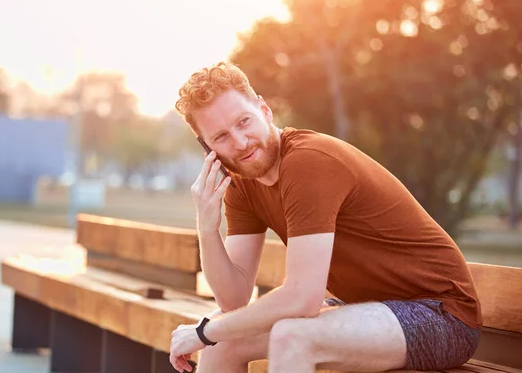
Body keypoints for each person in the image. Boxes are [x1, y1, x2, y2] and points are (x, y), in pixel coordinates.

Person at [169, 62, 482, 373]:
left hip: (440, 314)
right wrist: (207, 228)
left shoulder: (307, 162)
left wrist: (203, 330)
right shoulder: (242, 185)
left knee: (290, 337)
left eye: (243, 121)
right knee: (222, 345)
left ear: (265, 111)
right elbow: (233, 300)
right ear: (206, 147)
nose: (240, 142)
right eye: (221, 136)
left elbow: (303, 298)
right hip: (364, 308)